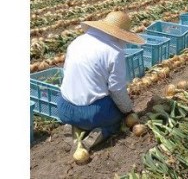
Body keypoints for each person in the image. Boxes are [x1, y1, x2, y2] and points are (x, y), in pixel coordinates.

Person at [57, 11, 145, 152]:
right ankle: (102, 132)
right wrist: (128, 111)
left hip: (63, 109)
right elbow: (116, 89)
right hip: (92, 115)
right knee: (118, 115)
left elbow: (66, 73)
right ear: (120, 35)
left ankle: (72, 125)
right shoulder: (114, 52)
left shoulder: (77, 41)